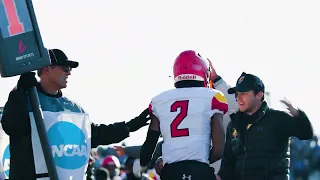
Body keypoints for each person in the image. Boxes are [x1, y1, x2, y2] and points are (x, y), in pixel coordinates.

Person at [0, 49, 150, 180]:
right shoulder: (23, 98)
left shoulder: (74, 109)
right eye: (64, 68)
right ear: (47, 69)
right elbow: (12, 126)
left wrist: (130, 126)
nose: (69, 72)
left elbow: (95, 134)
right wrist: (19, 93)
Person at [137, 50, 228, 180]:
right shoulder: (213, 97)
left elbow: (149, 145)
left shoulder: (159, 100)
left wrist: (150, 163)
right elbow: (219, 149)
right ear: (203, 73)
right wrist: (199, 160)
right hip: (200, 171)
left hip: (171, 172)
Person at [217, 72, 314, 180]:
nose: (238, 98)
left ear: (259, 95)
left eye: (243, 94)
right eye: (237, 94)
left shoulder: (278, 119)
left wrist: (299, 115)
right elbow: (228, 163)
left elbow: (306, 133)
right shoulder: (234, 124)